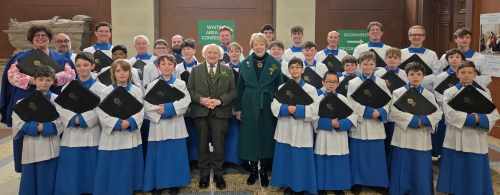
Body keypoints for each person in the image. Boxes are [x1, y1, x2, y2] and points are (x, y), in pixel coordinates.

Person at [437, 61, 499, 195]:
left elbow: (493, 114)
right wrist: (473, 118)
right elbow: (449, 114)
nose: (466, 75)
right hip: (455, 136)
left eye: (470, 72)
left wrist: (479, 119)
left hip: (475, 138)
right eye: (463, 72)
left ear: (475, 74)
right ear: (457, 74)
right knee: (456, 168)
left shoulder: (484, 92)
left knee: (474, 169)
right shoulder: (449, 92)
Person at [55, 52, 105, 195]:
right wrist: (72, 118)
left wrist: (84, 119)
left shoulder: (101, 88)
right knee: (71, 170)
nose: (82, 68)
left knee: (90, 170)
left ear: (93, 66)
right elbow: (60, 106)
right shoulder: (67, 87)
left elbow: (101, 109)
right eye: (78, 65)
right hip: (71, 136)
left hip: (92, 135)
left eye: (85, 65)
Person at [187, 44, 237, 190]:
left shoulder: (228, 71)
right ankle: (203, 174)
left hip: (220, 113)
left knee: (219, 145)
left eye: (215, 53)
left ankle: (218, 174)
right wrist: (201, 100)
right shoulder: (195, 71)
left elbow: (233, 91)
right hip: (200, 112)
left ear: (220, 55)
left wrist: (220, 101)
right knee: (202, 145)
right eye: (209, 52)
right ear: (204, 54)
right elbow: (189, 90)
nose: (212, 55)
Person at [389, 62, 442, 195]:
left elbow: (437, 113)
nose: (415, 77)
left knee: (420, 168)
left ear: (423, 76)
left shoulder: (428, 95)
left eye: (418, 74)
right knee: (403, 167)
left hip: (421, 137)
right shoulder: (398, 92)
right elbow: (393, 112)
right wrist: (412, 120)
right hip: (403, 136)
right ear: (406, 76)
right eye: (412, 74)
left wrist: (423, 121)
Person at [237, 33, 282, 187]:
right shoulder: (244, 64)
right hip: (249, 104)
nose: (259, 47)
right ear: (252, 46)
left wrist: (279, 107)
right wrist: (238, 109)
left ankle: (263, 170)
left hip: (268, 104)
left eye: (261, 44)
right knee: (250, 137)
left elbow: (279, 88)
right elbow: (239, 88)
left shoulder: (275, 64)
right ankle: (253, 171)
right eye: (256, 44)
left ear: (266, 45)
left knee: (266, 137)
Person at [93, 59, 144, 195]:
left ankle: (129, 189)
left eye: (125, 70)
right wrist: (116, 123)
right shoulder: (106, 91)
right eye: (118, 71)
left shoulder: (136, 90)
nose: (122, 74)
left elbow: (141, 111)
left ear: (130, 73)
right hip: (112, 137)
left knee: (128, 166)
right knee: (113, 166)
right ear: (113, 73)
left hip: (130, 134)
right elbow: (101, 112)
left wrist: (131, 122)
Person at [143, 55, 191, 195]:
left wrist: (169, 109)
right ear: (158, 67)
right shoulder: (152, 85)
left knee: (175, 156)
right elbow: (147, 105)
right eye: (163, 64)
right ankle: (158, 183)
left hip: (176, 126)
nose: (166, 66)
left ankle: (175, 183)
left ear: (174, 66)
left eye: (170, 64)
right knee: (159, 156)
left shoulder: (180, 84)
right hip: (158, 126)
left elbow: (185, 102)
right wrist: (160, 112)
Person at [270, 58, 319, 194]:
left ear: (303, 70)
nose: (295, 70)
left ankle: (301, 186)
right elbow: (275, 106)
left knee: (300, 159)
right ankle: (287, 184)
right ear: (288, 70)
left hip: (302, 128)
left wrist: (297, 110)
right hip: (285, 127)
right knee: (286, 157)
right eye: (292, 67)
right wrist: (287, 109)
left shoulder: (310, 89)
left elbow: (315, 110)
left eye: (298, 67)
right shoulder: (282, 87)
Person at [12, 66, 62, 195]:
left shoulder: (58, 101)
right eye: (40, 79)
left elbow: (63, 121)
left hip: (50, 147)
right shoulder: (22, 102)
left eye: (47, 80)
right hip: (30, 146)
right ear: (34, 80)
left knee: (48, 181)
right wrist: (34, 127)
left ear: (53, 81)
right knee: (30, 183)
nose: (44, 83)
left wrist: (44, 128)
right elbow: (17, 122)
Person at [347, 51, 391, 192]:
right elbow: (350, 102)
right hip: (361, 123)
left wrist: (380, 112)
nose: (367, 66)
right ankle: (357, 182)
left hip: (376, 124)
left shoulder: (381, 82)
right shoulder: (353, 82)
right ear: (359, 65)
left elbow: (389, 101)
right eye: (365, 64)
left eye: (371, 64)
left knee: (375, 156)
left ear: (375, 65)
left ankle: (377, 182)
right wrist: (367, 111)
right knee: (358, 155)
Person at [315, 71, 357, 195]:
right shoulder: (318, 99)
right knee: (323, 160)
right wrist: (329, 123)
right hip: (323, 135)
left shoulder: (343, 99)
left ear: (338, 84)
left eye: (334, 82)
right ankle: (322, 187)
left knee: (339, 162)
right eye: (328, 81)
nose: (331, 84)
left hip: (339, 136)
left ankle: (338, 187)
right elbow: (312, 118)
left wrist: (340, 124)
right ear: (323, 82)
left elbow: (353, 116)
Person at [432, 49, 466, 158]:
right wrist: (450, 105)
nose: (454, 59)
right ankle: (439, 153)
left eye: (457, 57)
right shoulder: (441, 76)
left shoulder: (466, 75)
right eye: (451, 57)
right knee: (442, 132)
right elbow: (437, 94)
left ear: (462, 60)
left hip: (463, 110)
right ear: (447, 60)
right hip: (445, 110)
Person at [401, 25, 439, 91]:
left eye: (420, 35)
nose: (417, 37)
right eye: (413, 35)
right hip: (405, 89)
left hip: (426, 89)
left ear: (424, 37)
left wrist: (419, 80)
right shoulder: (401, 53)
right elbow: (399, 72)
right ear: (409, 37)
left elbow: (436, 73)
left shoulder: (432, 54)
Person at [224, 42, 243, 165]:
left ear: (240, 53)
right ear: (228, 53)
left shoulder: (246, 67)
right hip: (227, 106)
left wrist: (240, 108)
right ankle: (228, 161)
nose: (234, 53)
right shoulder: (223, 68)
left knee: (241, 135)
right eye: (231, 51)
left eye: (237, 51)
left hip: (242, 106)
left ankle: (241, 162)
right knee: (228, 134)